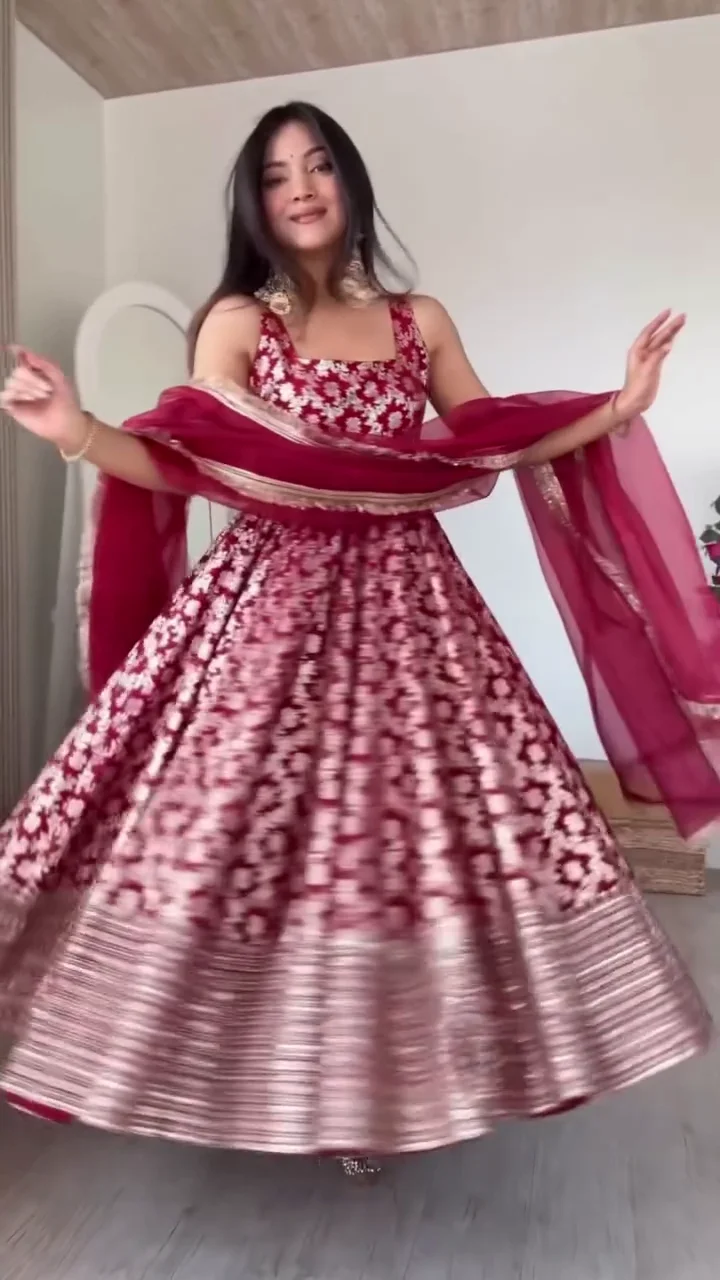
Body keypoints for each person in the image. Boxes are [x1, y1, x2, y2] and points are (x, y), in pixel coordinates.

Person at [0, 101, 717, 1183]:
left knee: (404, 842)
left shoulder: (419, 320)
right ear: (254, 201)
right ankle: (228, 1065)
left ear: (350, 182)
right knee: (231, 832)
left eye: (320, 164)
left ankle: (380, 1082)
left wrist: (620, 404)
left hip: (414, 611)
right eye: (275, 173)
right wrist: (76, 430)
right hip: (266, 609)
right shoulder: (238, 323)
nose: (300, 187)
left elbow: (491, 435)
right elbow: (187, 461)